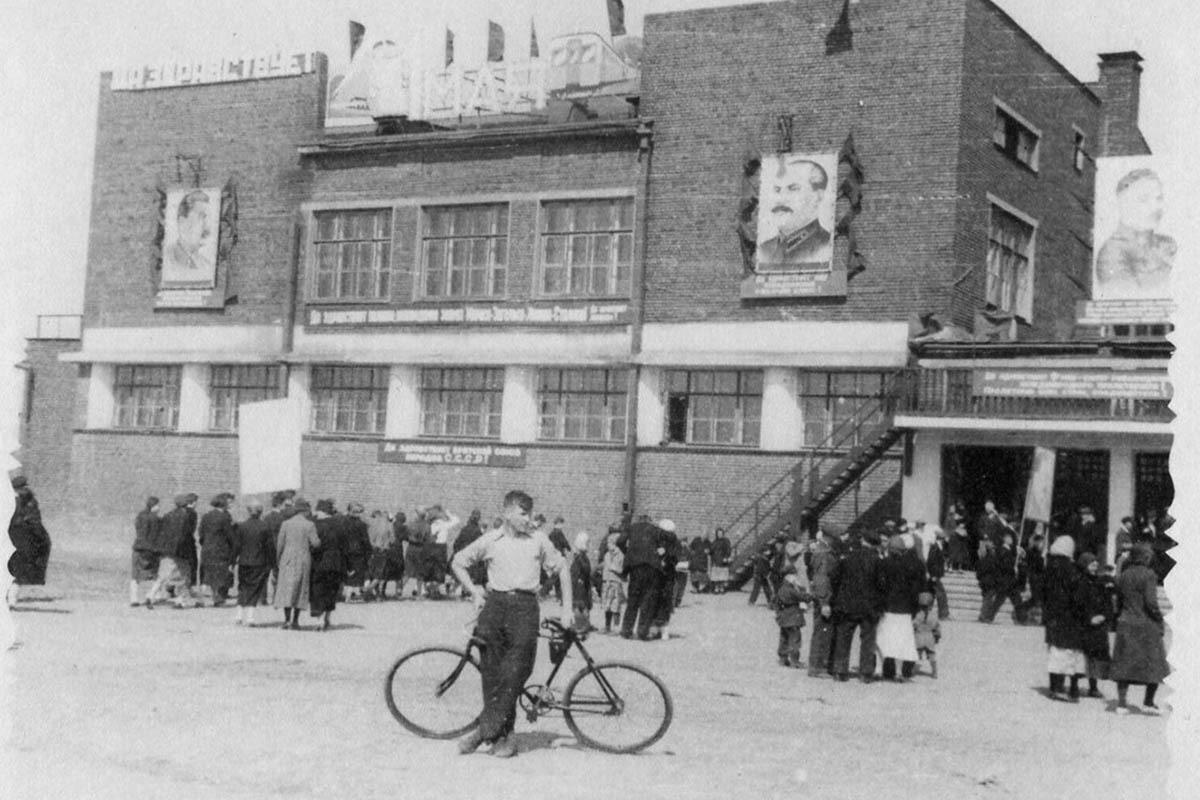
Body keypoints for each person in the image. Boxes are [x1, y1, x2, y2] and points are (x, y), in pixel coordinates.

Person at [451, 489, 572, 758]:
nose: (528, 518)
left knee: (518, 670)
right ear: (507, 513)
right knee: (492, 674)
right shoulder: (491, 539)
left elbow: (562, 568)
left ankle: (482, 732)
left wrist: (567, 609)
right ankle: (505, 738)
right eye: (522, 513)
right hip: (495, 607)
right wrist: (474, 591)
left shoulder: (539, 540)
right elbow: (458, 562)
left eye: (529, 513)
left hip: (525, 608)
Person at [1095, 168, 1175, 299]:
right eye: (1144, 199)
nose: (1155, 207)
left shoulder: (1169, 244)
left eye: (1158, 198)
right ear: (1124, 205)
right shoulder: (1112, 254)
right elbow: (1132, 306)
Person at [1110, 542, 1169, 715]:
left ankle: (1121, 703)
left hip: (1126, 622)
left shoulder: (1125, 574)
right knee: (1155, 664)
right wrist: (1159, 619)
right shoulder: (1149, 575)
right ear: (1144, 557)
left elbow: (1118, 599)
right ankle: (1148, 702)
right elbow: (1151, 602)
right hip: (1145, 624)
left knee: (1124, 663)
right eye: (1149, 554)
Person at [755, 155, 832, 268]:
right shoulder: (764, 249)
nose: (780, 198)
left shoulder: (826, 244)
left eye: (793, 189)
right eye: (777, 190)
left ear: (818, 196)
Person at [829, 530, 883, 683]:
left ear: (863, 541)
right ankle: (865, 673)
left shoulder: (847, 558)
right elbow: (882, 584)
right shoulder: (877, 561)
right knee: (868, 640)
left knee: (844, 637)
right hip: (869, 607)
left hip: (847, 605)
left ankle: (840, 671)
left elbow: (834, 577)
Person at [1042, 535, 1087, 702]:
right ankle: (1064, 688)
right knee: (1067, 653)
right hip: (1069, 617)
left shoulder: (1048, 568)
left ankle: (1055, 687)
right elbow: (1078, 596)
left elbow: (1043, 593)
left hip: (1052, 616)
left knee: (1054, 652)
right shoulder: (1072, 570)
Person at [876, 535, 923, 681]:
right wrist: (915, 609)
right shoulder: (910, 566)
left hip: (886, 607)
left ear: (890, 549)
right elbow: (915, 590)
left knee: (882, 639)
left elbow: (879, 586)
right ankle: (898, 672)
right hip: (904, 609)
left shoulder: (883, 563)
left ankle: (878, 669)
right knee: (901, 640)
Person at [617, 516, 666, 640]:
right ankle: (642, 632)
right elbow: (664, 546)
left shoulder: (631, 527)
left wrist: (629, 552)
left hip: (635, 567)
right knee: (647, 601)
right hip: (652, 568)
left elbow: (619, 541)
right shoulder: (656, 529)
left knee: (633, 599)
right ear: (649, 520)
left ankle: (626, 630)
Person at [147, 493, 199, 608]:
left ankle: (151, 595)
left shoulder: (168, 515)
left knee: (164, 574)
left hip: (167, 549)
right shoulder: (186, 516)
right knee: (184, 573)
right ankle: (181, 600)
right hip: (181, 549)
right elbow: (186, 534)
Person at [7, 476, 52, 608]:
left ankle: (11, 598)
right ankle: (10, 598)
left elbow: (35, 522)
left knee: (17, 570)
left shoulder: (24, 501)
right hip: (19, 539)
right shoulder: (26, 501)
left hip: (20, 539)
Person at [275, 498, 318, 630]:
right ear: (305, 511)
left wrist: (278, 560)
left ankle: (286, 620)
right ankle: (295, 621)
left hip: (287, 559)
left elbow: (280, 544)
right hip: (303, 559)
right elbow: (315, 543)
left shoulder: (286, 524)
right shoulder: (309, 525)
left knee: (287, 589)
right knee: (300, 589)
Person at [232, 498, 274, 626]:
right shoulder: (265, 527)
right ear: (261, 512)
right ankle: (250, 618)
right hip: (259, 562)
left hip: (244, 561)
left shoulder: (242, 526)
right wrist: (272, 562)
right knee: (255, 589)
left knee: (242, 587)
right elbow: (270, 547)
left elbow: (236, 546)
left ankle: (238, 615)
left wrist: (232, 561)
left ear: (248, 511)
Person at [1076, 553, 1112, 699]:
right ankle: (1074, 685)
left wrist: (1104, 615)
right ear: (1084, 564)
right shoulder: (1079, 581)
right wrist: (1089, 618)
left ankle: (1093, 686)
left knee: (1095, 658)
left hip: (1098, 627)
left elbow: (1108, 603)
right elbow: (1077, 604)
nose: (1096, 565)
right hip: (1084, 625)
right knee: (1081, 657)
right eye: (1092, 562)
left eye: (1096, 562)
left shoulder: (1100, 582)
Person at [310, 499, 349, 630]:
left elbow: (314, 545)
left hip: (320, 562)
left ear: (321, 512)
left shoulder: (316, 525)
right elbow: (345, 546)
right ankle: (327, 617)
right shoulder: (340, 525)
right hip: (336, 562)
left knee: (318, 590)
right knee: (331, 590)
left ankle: (319, 620)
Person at [162, 188, 216, 277]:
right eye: (202, 217)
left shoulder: (206, 265)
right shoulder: (167, 259)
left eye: (209, 219)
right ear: (182, 223)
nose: (208, 229)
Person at [806, 535, 838, 678]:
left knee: (819, 632)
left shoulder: (818, 555)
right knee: (824, 633)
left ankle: (815, 666)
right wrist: (825, 602)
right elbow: (822, 580)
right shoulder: (826, 558)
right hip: (825, 599)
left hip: (821, 597)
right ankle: (819, 667)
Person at [199, 494, 236, 606]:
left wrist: (205, 543)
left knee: (207, 575)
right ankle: (218, 599)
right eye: (229, 502)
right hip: (220, 550)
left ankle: (200, 599)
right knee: (220, 575)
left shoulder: (206, 516)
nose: (231, 504)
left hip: (206, 548)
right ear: (223, 503)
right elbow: (230, 535)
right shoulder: (224, 517)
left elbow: (201, 533)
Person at [979, 532, 1022, 623]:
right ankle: (989, 617)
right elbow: (1004, 565)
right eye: (1009, 538)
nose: (1012, 540)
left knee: (1013, 600)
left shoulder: (1009, 550)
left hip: (1009, 580)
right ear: (1005, 538)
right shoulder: (1003, 550)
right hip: (1006, 580)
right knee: (1002, 601)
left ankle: (1021, 618)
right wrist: (1013, 568)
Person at [650, 519, 681, 640]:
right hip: (664, 576)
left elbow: (674, 558)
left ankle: (659, 629)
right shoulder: (670, 542)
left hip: (664, 576)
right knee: (662, 602)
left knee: (660, 602)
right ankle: (659, 629)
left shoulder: (667, 542)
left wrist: (665, 554)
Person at [773, 564, 808, 668]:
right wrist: (801, 588)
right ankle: (794, 661)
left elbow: (775, 602)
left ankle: (783, 658)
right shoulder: (791, 589)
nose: (796, 577)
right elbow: (803, 597)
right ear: (788, 577)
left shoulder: (781, 588)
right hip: (793, 617)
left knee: (784, 637)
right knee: (795, 639)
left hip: (784, 618)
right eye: (794, 575)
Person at [130, 496, 161, 606]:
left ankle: (134, 599)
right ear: (153, 506)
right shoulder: (156, 519)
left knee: (135, 575)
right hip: (151, 550)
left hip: (138, 548)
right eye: (158, 505)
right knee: (156, 576)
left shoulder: (140, 516)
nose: (159, 508)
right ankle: (151, 594)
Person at [342, 502, 372, 602]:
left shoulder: (343, 522)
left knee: (349, 572)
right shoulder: (361, 525)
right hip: (358, 551)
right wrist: (369, 551)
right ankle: (350, 595)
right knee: (356, 572)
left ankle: (348, 594)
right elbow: (365, 540)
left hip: (345, 550)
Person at [364, 509, 395, 600]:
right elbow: (392, 540)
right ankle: (368, 590)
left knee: (371, 572)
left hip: (371, 550)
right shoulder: (389, 525)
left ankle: (373, 593)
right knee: (379, 574)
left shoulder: (371, 524)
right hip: (383, 551)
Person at [600, 530, 626, 634]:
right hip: (607, 581)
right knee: (607, 605)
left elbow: (622, 570)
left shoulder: (620, 556)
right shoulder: (606, 555)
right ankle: (607, 626)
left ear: (614, 544)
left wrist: (613, 567)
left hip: (615, 583)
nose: (607, 545)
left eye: (609, 543)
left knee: (615, 606)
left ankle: (616, 627)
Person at [569, 532, 595, 634]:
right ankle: (581, 624)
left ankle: (583, 623)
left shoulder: (580, 556)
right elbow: (585, 569)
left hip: (581, 582)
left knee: (581, 604)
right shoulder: (581, 557)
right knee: (580, 604)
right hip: (580, 583)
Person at [913, 591, 941, 679]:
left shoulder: (918, 615)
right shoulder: (933, 616)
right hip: (929, 638)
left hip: (919, 637)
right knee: (932, 655)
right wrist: (937, 636)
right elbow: (937, 627)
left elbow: (914, 625)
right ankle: (934, 671)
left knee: (917, 655)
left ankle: (913, 670)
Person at [925, 525, 950, 620]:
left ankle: (925, 612)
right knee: (941, 594)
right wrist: (934, 575)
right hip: (934, 575)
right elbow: (932, 561)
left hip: (934, 575)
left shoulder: (938, 547)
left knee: (931, 593)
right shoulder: (935, 547)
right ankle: (943, 614)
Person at [708, 528, 732, 593]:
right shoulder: (715, 542)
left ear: (723, 534)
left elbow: (728, 550)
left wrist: (726, 557)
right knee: (716, 576)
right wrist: (709, 551)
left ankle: (721, 588)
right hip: (716, 561)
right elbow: (711, 550)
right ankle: (716, 588)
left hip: (722, 560)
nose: (719, 535)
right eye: (718, 534)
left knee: (722, 576)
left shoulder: (726, 541)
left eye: (721, 533)